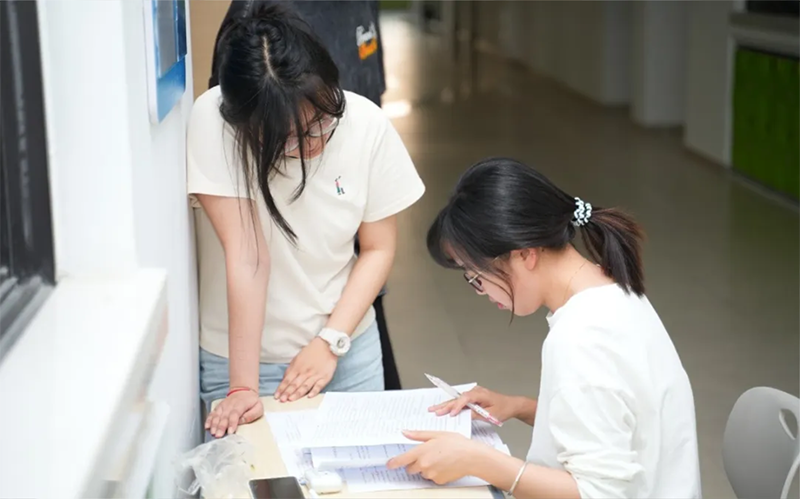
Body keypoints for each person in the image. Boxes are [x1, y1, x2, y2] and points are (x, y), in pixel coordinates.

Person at [386, 158, 701, 498]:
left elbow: (600, 492)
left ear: (525, 254)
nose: (481, 291)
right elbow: (616, 425)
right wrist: (520, 407)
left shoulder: (582, 338)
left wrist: (477, 460)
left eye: (476, 276)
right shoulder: (611, 288)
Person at [188, 4, 424, 438]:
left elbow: (378, 248)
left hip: (346, 351)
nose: (313, 143)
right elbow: (248, 256)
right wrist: (243, 387)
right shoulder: (213, 122)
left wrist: (330, 342)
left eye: (321, 122)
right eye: (288, 139)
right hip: (241, 361)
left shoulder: (366, 125)